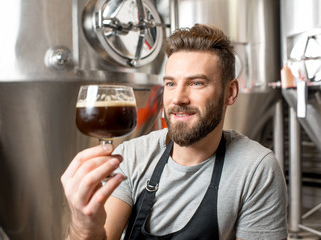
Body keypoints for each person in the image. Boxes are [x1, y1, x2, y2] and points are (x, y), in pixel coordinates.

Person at [61, 24, 288, 240]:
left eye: (196, 83)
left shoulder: (256, 169)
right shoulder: (133, 155)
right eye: (170, 84)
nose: (178, 98)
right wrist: (82, 228)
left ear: (230, 92)